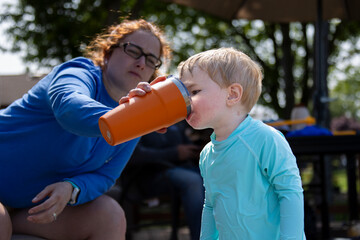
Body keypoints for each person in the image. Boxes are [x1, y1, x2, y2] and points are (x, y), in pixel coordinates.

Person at [0, 18, 171, 240]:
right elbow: (70, 108)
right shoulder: (79, 72)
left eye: (151, 59)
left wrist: (72, 188)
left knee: (110, 215)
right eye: (134, 51)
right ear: (108, 52)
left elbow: (105, 176)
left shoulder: (134, 115)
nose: (141, 63)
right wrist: (125, 118)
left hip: (27, 209)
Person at [177, 48, 306, 239]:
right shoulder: (207, 154)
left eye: (194, 91)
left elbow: (290, 192)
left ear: (232, 94)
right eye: (185, 93)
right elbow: (211, 204)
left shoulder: (266, 139)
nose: (185, 100)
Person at [124, 121, 204, 240]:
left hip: (184, 169)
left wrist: (199, 151)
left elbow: (186, 145)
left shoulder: (173, 120)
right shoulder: (135, 119)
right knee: (192, 181)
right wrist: (175, 153)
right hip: (151, 176)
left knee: (217, 176)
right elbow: (135, 156)